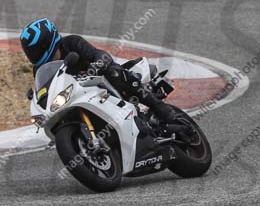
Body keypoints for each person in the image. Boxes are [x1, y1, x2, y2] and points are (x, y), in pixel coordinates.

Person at [20, 17, 181, 130]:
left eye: (36, 50)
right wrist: (38, 99)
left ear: (48, 42)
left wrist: (97, 65)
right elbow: (49, 91)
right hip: (80, 96)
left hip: (102, 81)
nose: (33, 55)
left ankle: (159, 107)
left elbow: (100, 55)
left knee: (114, 72)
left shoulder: (72, 43)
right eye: (30, 52)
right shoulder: (40, 70)